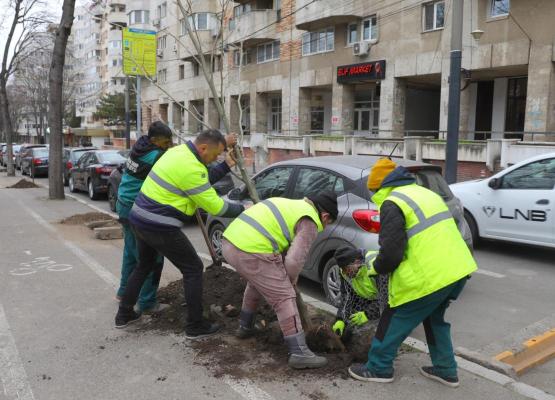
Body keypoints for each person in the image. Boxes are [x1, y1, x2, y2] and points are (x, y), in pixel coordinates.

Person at [347, 158, 477, 387]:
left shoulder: (392, 203)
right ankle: (446, 369)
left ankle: (378, 368)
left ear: (377, 187)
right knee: (434, 319)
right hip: (457, 270)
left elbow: (392, 254)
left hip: (431, 276)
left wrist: (375, 269)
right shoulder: (426, 194)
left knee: (393, 317)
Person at [114, 129, 245, 340]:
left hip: (138, 218)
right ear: (203, 148)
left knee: (143, 265)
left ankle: (124, 314)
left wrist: (226, 165)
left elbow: (199, 183)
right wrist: (243, 208)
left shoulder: (179, 153)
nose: (216, 158)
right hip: (159, 225)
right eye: (216, 154)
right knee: (193, 268)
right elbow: (217, 207)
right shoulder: (192, 168)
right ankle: (195, 325)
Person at [221, 191, 338, 370]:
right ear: (325, 216)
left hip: (230, 243)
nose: (325, 225)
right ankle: (299, 353)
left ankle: (245, 327)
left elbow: (278, 236)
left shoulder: (290, 204)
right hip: (251, 249)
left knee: (256, 283)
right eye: (327, 223)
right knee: (284, 296)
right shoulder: (310, 221)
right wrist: (289, 281)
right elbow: (294, 260)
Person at [115, 122, 172, 314]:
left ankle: (124, 291)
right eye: (166, 142)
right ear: (154, 140)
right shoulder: (156, 156)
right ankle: (147, 302)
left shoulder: (139, 146)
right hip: (136, 208)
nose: (169, 145)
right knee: (150, 257)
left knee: (130, 253)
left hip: (123, 203)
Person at [331, 247, 388, 340]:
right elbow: (348, 297)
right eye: (342, 269)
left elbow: (386, 299)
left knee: (378, 332)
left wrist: (367, 314)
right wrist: (341, 319)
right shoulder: (345, 273)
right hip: (372, 298)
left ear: (357, 262)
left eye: (347, 269)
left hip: (396, 297)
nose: (345, 273)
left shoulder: (375, 266)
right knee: (351, 325)